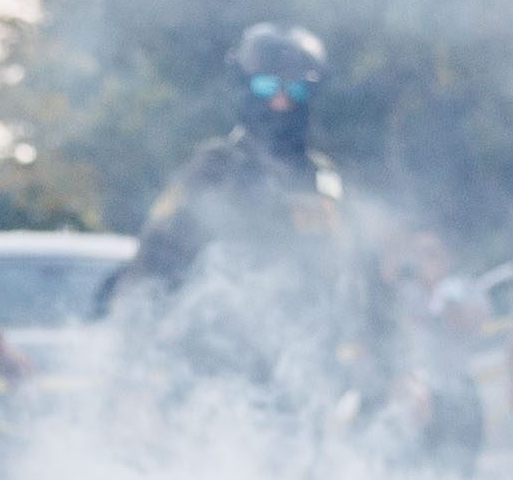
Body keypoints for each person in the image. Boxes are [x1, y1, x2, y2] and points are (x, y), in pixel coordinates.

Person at [112, 23, 386, 417]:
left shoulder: (326, 182)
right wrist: (131, 374)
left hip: (309, 374)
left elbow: (364, 277)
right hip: (217, 373)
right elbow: (149, 274)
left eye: (295, 89)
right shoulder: (211, 172)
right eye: (266, 88)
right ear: (244, 87)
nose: (280, 103)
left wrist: (386, 363)